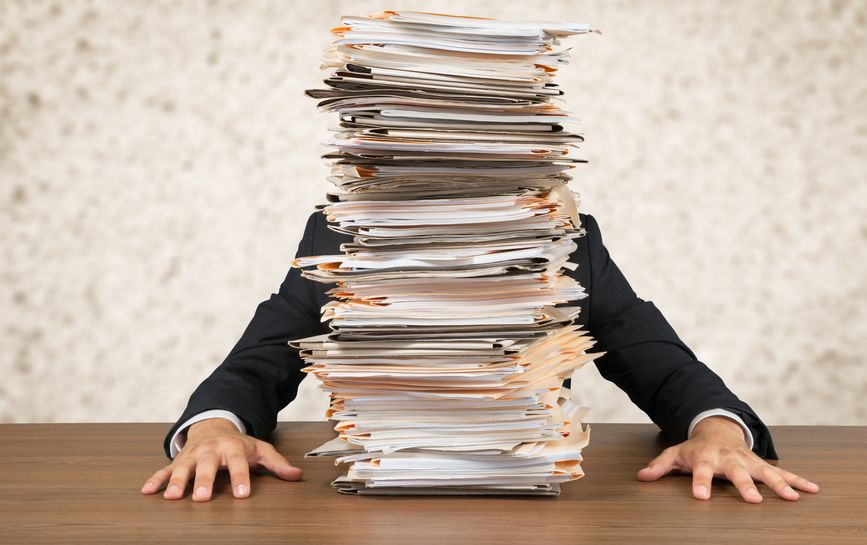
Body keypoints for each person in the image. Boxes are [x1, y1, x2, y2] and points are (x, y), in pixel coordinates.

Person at [141, 211, 819, 504]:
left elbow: (659, 362)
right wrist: (215, 429)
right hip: (371, 506)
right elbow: (263, 352)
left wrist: (717, 434)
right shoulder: (341, 232)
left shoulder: (567, 239)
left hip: (537, 504)